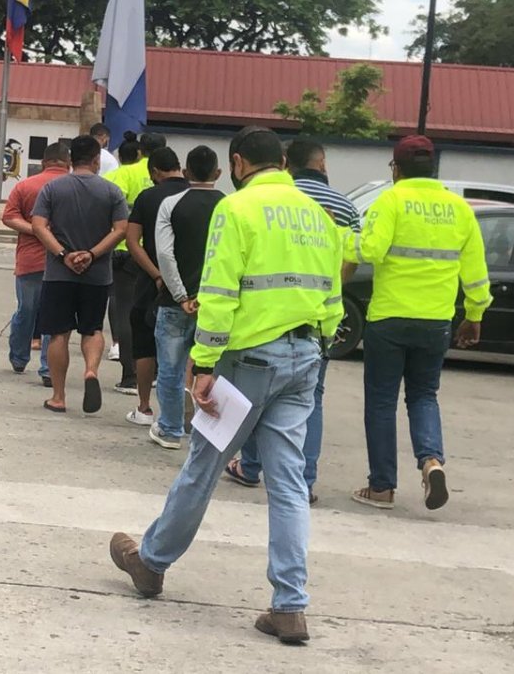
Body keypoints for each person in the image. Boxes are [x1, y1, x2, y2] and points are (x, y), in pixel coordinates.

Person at [109, 126, 343, 645]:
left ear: (237, 164)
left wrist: (206, 359)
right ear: (281, 162)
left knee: (203, 466)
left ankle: (150, 562)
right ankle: (290, 605)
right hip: (306, 357)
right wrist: (319, 343)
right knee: (287, 483)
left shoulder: (235, 212)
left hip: (248, 361)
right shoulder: (318, 215)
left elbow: (218, 290)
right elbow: (332, 292)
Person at [345, 135, 491, 512]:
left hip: (389, 319)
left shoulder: (390, 201)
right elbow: (475, 273)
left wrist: (340, 237)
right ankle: (431, 461)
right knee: (424, 396)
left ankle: (381, 489)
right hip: (436, 322)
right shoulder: (459, 209)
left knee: (381, 402)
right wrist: (474, 315)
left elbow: (369, 249)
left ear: (396, 169)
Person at [225, 138, 361, 501]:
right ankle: (306, 479)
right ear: (321, 163)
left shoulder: (254, 201)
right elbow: (347, 262)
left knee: (248, 403)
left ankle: (250, 465)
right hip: (314, 325)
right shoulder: (343, 209)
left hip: (260, 323)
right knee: (311, 401)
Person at [31, 135, 129, 414]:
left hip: (59, 274)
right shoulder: (111, 192)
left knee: (59, 334)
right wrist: (92, 254)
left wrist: (64, 254)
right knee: (93, 329)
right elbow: (121, 229)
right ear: (97, 160)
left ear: (71, 160)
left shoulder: (53, 188)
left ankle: (59, 396)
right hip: (97, 274)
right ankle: (90, 371)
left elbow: (39, 225)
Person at [151, 145, 225, 449]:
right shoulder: (229, 206)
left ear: (185, 172)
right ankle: (209, 429)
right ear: (218, 174)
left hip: (175, 303)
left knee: (170, 368)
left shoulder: (171, 204)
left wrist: (181, 295)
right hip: (217, 303)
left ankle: (169, 428)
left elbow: (165, 255)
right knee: (214, 370)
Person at [123, 146, 190, 437]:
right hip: (190, 286)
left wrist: (155, 274)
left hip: (149, 284)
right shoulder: (195, 197)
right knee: (187, 348)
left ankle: (145, 407)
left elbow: (132, 241)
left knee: (145, 344)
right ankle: (185, 407)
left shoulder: (148, 197)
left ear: (154, 173)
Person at [3, 141, 71, 386]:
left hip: (29, 260)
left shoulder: (25, 185)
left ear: (44, 162)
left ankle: (19, 358)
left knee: (26, 311)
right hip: (65, 262)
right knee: (54, 317)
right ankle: (48, 369)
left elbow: (9, 216)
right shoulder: (74, 188)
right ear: (68, 163)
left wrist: (35, 230)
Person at [105, 131, 166, 393]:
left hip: (124, 251)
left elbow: (105, 198)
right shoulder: (171, 177)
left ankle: (130, 375)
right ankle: (157, 372)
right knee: (158, 313)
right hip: (160, 254)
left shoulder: (125, 174)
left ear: (140, 151)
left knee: (125, 311)